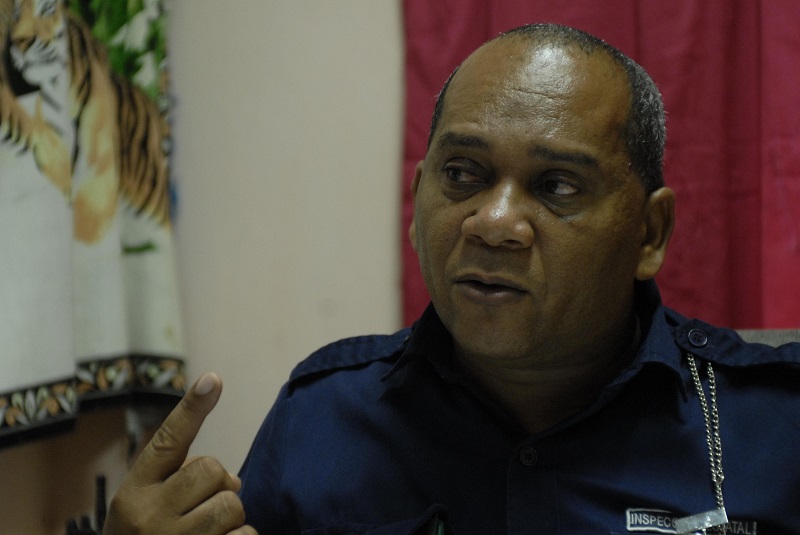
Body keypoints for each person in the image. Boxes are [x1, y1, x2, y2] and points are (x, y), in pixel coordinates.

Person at [104, 23, 800, 535]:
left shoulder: (772, 425)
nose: (493, 222)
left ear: (649, 234)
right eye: (463, 175)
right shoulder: (322, 418)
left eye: (555, 185)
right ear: (417, 201)